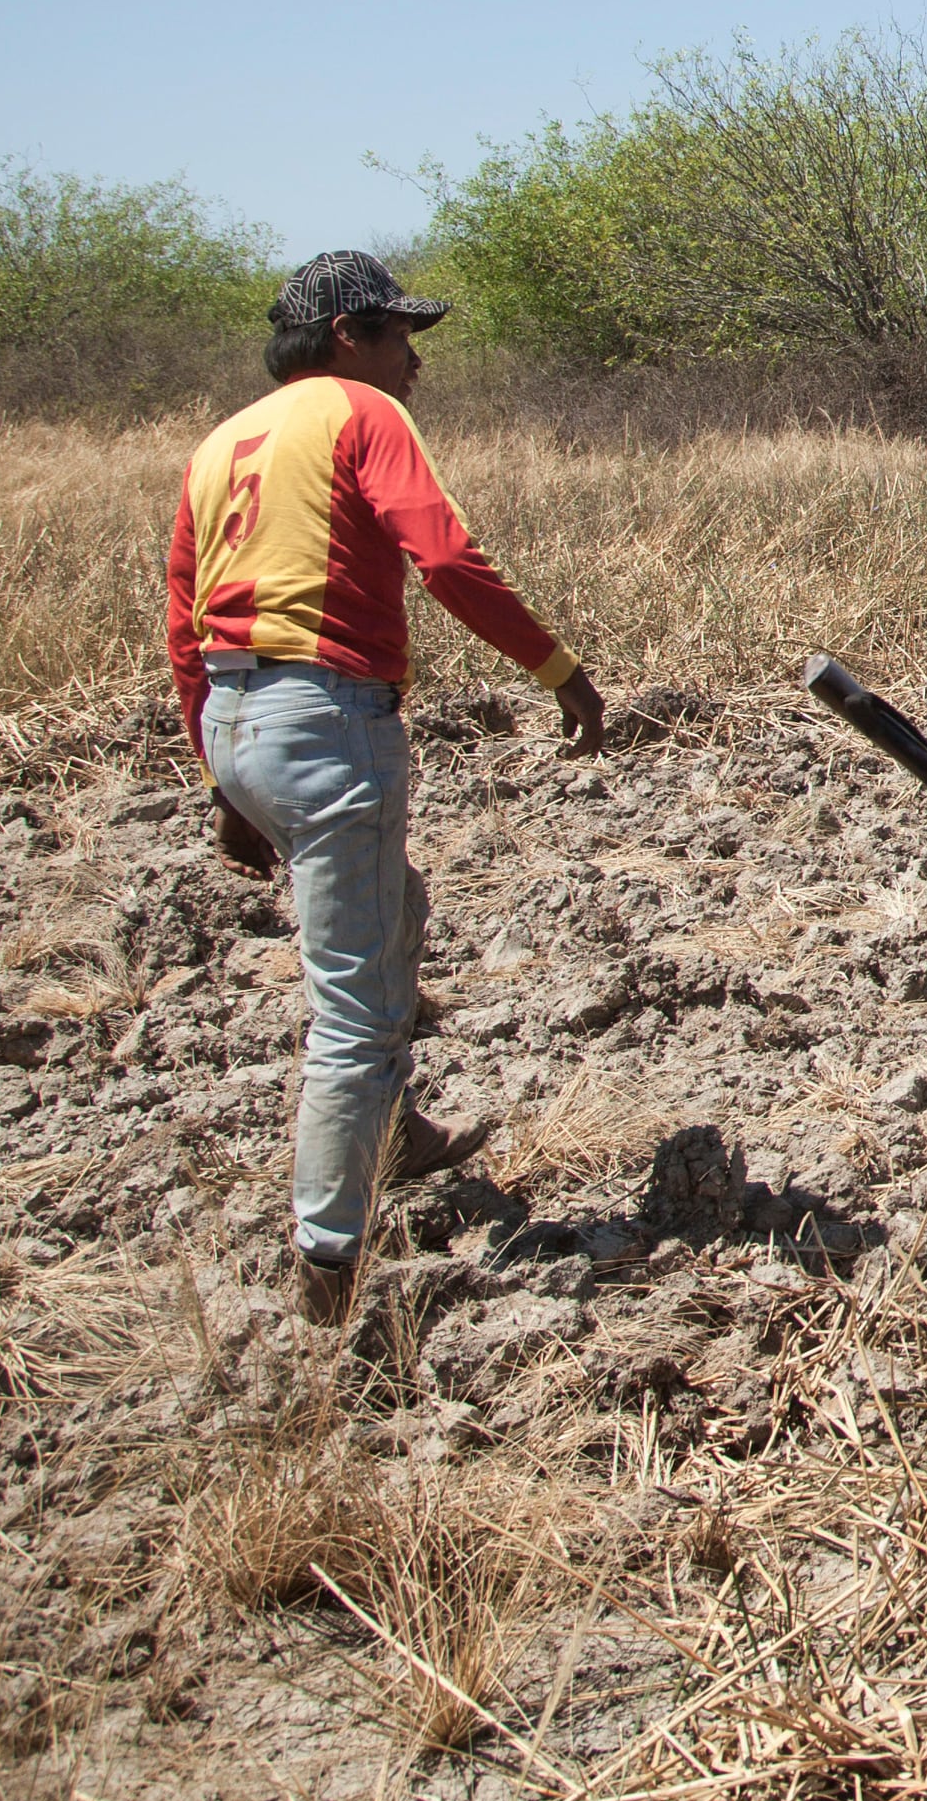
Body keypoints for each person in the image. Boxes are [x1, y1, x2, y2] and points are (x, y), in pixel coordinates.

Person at [164, 251, 611, 1328]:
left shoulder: (222, 442)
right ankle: (330, 1269)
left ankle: (395, 1134)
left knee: (393, 908)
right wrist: (559, 671)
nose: (415, 359)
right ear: (347, 337)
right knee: (355, 1011)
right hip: (326, 720)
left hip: (237, 717)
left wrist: (224, 784)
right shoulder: (361, 412)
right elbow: (445, 560)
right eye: (401, 334)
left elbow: (185, 618)